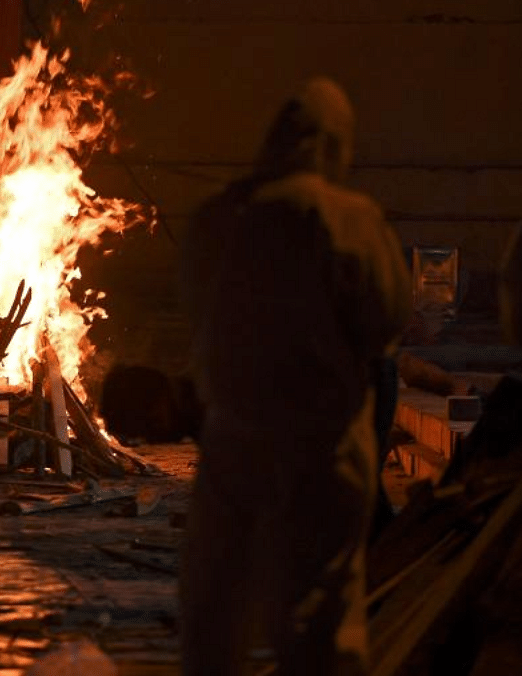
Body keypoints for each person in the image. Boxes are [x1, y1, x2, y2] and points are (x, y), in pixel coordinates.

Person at [178, 78, 412, 675]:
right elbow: (386, 321)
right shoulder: (348, 219)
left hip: (230, 445)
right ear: (334, 146)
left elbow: (198, 321)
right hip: (322, 448)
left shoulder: (214, 219)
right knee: (316, 614)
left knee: (217, 606)